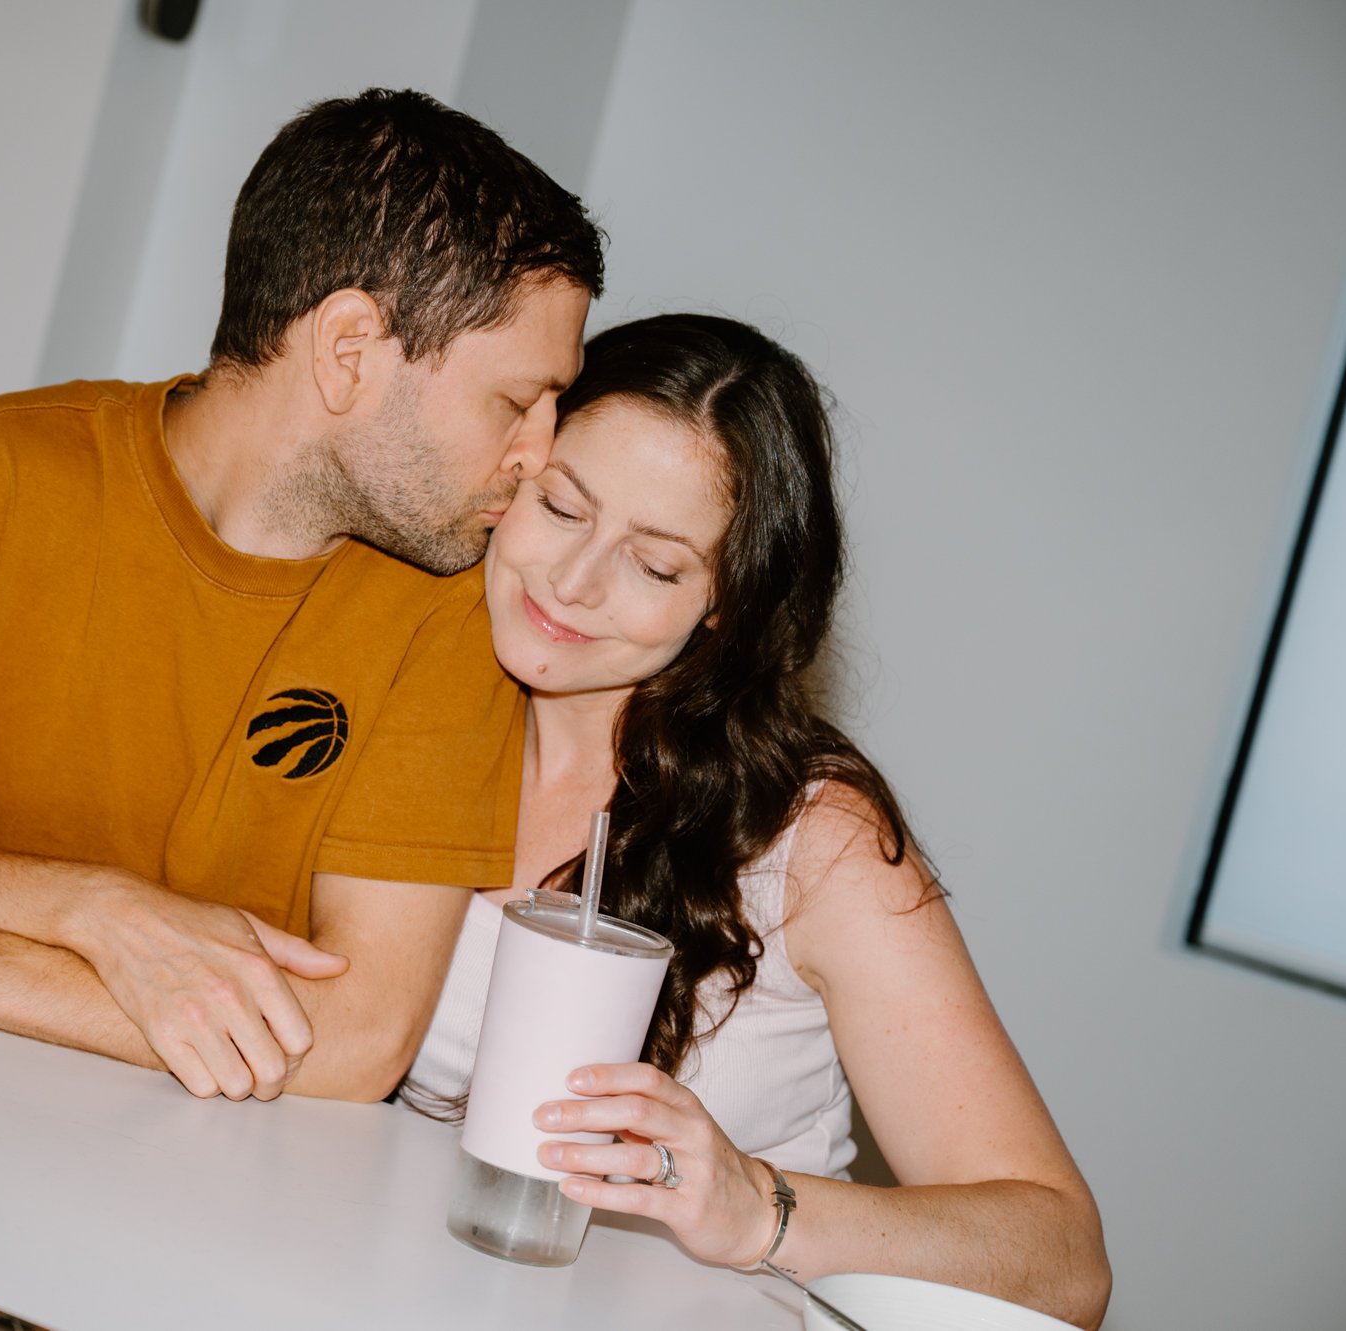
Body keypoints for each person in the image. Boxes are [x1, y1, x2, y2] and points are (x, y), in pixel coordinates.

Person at [0, 89, 602, 1106]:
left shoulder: (448, 600)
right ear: (348, 348)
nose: (538, 455)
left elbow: (359, 1036)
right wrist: (98, 911)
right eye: (516, 399)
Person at [399, 314, 1111, 1327]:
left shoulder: (813, 838)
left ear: (725, 603)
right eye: (560, 506)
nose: (572, 581)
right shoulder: (396, 714)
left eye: (654, 565)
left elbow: (1064, 1258)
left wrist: (755, 1206)